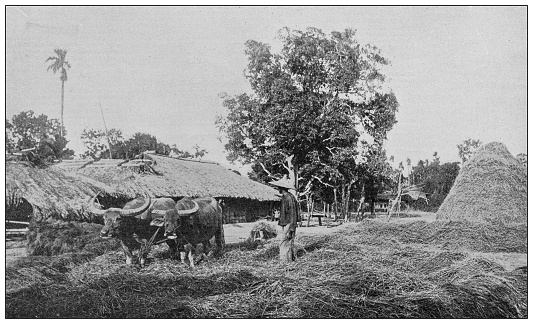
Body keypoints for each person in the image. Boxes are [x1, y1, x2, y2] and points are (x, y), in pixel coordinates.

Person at [269, 176, 300, 263]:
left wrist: (291, 227)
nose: (277, 189)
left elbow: (293, 213)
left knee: (285, 241)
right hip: (285, 223)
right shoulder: (286, 197)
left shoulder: (289, 198)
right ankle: (287, 260)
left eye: (278, 187)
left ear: (281, 188)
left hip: (289, 223)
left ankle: (286, 261)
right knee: (286, 241)